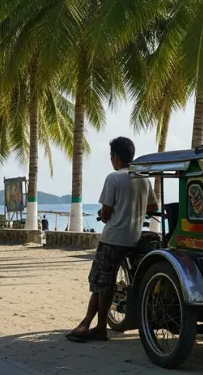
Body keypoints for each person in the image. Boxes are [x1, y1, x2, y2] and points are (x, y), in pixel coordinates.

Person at [67, 137, 157, 343]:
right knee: (107, 282)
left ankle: (95, 326)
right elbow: (153, 207)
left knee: (101, 283)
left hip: (113, 238)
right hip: (134, 237)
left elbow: (106, 214)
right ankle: (90, 324)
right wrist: (135, 207)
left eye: (111, 156)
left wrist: (109, 210)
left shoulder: (114, 178)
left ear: (115, 157)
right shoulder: (143, 178)